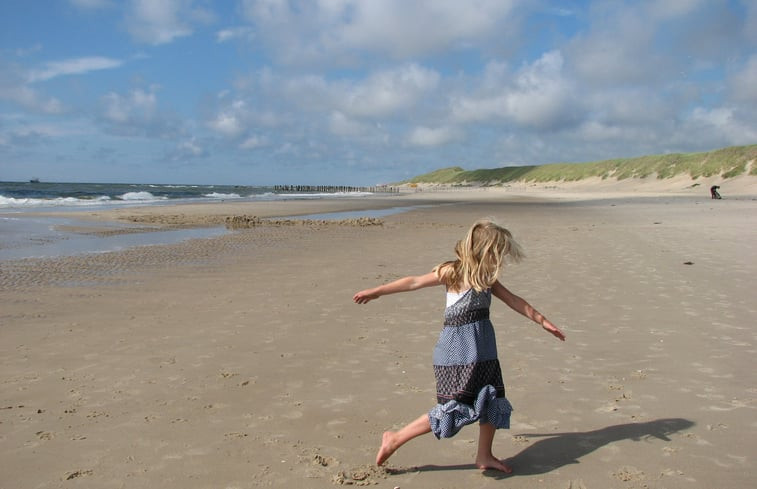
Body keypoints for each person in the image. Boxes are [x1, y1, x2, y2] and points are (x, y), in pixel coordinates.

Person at [353, 219, 565, 473]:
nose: (501, 260)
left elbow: (514, 301)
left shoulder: (486, 279)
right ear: (486, 251)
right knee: (455, 406)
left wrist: (543, 321)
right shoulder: (453, 272)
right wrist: (378, 291)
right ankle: (395, 438)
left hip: (484, 351)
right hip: (456, 352)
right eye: (498, 253)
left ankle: (484, 456)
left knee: (491, 398)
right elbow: (413, 282)